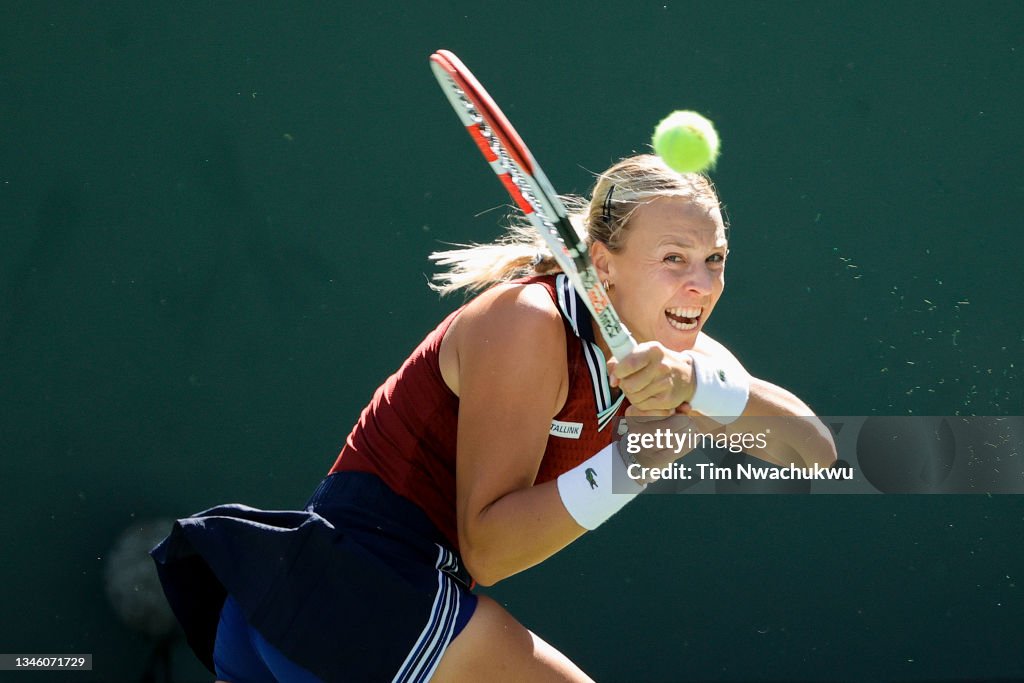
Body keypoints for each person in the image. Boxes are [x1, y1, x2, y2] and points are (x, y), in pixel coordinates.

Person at [152, 154, 837, 682]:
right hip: (352, 596)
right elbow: (491, 548)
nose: (702, 283)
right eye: (674, 259)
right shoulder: (527, 323)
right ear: (603, 265)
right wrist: (633, 462)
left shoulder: (679, 356)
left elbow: (812, 451)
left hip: (339, 626)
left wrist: (707, 394)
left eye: (714, 260)